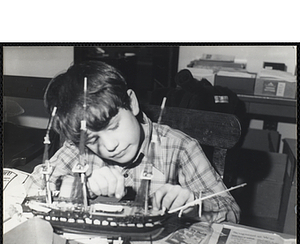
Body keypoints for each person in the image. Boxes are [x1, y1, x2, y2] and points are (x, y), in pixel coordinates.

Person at [25, 61, 240, 223]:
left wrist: (195, 205)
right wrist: (81, 187)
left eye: (113, 126)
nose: (109, 146)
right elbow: (33, 187)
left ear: (132, 103)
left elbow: (232, 212)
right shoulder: (80, 149)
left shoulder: (180, 148)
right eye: (92, 139)